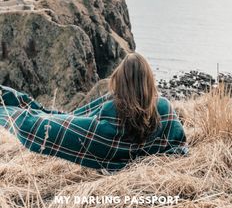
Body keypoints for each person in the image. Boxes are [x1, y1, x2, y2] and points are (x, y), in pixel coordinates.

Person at [0, 53, 187, 172]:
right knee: (47, 116)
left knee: (32, 120)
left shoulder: (112, 106)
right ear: (149, 79)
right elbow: (179, 144)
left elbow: (78, 121)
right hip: (149, 165)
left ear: (120, 79)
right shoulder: (164, 106)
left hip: (110, 161)